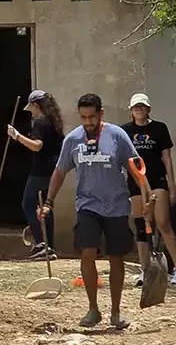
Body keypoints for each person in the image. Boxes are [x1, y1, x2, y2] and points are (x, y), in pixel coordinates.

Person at [43, 92, 140, 331]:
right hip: (87, 205)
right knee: (87, 253)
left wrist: (146, 199)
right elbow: (59, 172)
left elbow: (137, 169)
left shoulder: (117, 136)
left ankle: (116, 312)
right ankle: (93, 309)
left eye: (92, 117)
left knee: (116, 257)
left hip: (116, 205)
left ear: (101, 114)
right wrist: (48, 201)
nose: (88, 122)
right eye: (84, 117)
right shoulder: (73, 140)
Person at [124, 93, 176, 287]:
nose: (139, 109)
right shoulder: (125, 131)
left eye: (142, 106)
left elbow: (167, 158)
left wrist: (172, 185)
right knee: (141, 226)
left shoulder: (159, 128)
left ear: (148, 109)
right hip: (135, 182)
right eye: (135, 107)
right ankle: (144, 269)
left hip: (157, 180)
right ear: (131, 110)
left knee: (163, 222)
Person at [7, 90, 65, 259]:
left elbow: (37, 146)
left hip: (40, 171)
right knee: (46, 206)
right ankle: (49, 246)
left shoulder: (40, 122)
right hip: (53, 169)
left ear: (35, 105)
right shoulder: (54, 121)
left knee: (28, 204)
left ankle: (41, 243)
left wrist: (17, 136)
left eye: (31, 107)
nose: (30, 111)